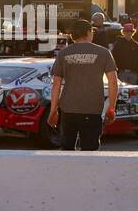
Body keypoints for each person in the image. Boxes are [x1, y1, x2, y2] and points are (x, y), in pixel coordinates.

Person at [47, 18, 118, 151]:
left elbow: (56, 84)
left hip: (68, 108)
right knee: (90, 151)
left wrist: (53, 110)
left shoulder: (63, 53)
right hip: (92, 108)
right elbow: (113, 82)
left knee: (67, 150)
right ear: (88, 32)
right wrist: (111, 108)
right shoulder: (103, 53)